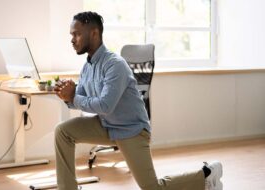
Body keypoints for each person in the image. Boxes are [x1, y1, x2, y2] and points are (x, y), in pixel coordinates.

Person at [53, 11, 223, 190]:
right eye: (72, 35)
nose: (72, 40)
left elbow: (105, 105)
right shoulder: (87, 67)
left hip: (131, 129)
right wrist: (66, 95)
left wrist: (73, 96)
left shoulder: (115, 64)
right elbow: (78, 99)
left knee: (151, 188)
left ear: (94, 33)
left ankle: (206, 175)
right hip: (106, 126)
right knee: (63, 132)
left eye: (77, 34)